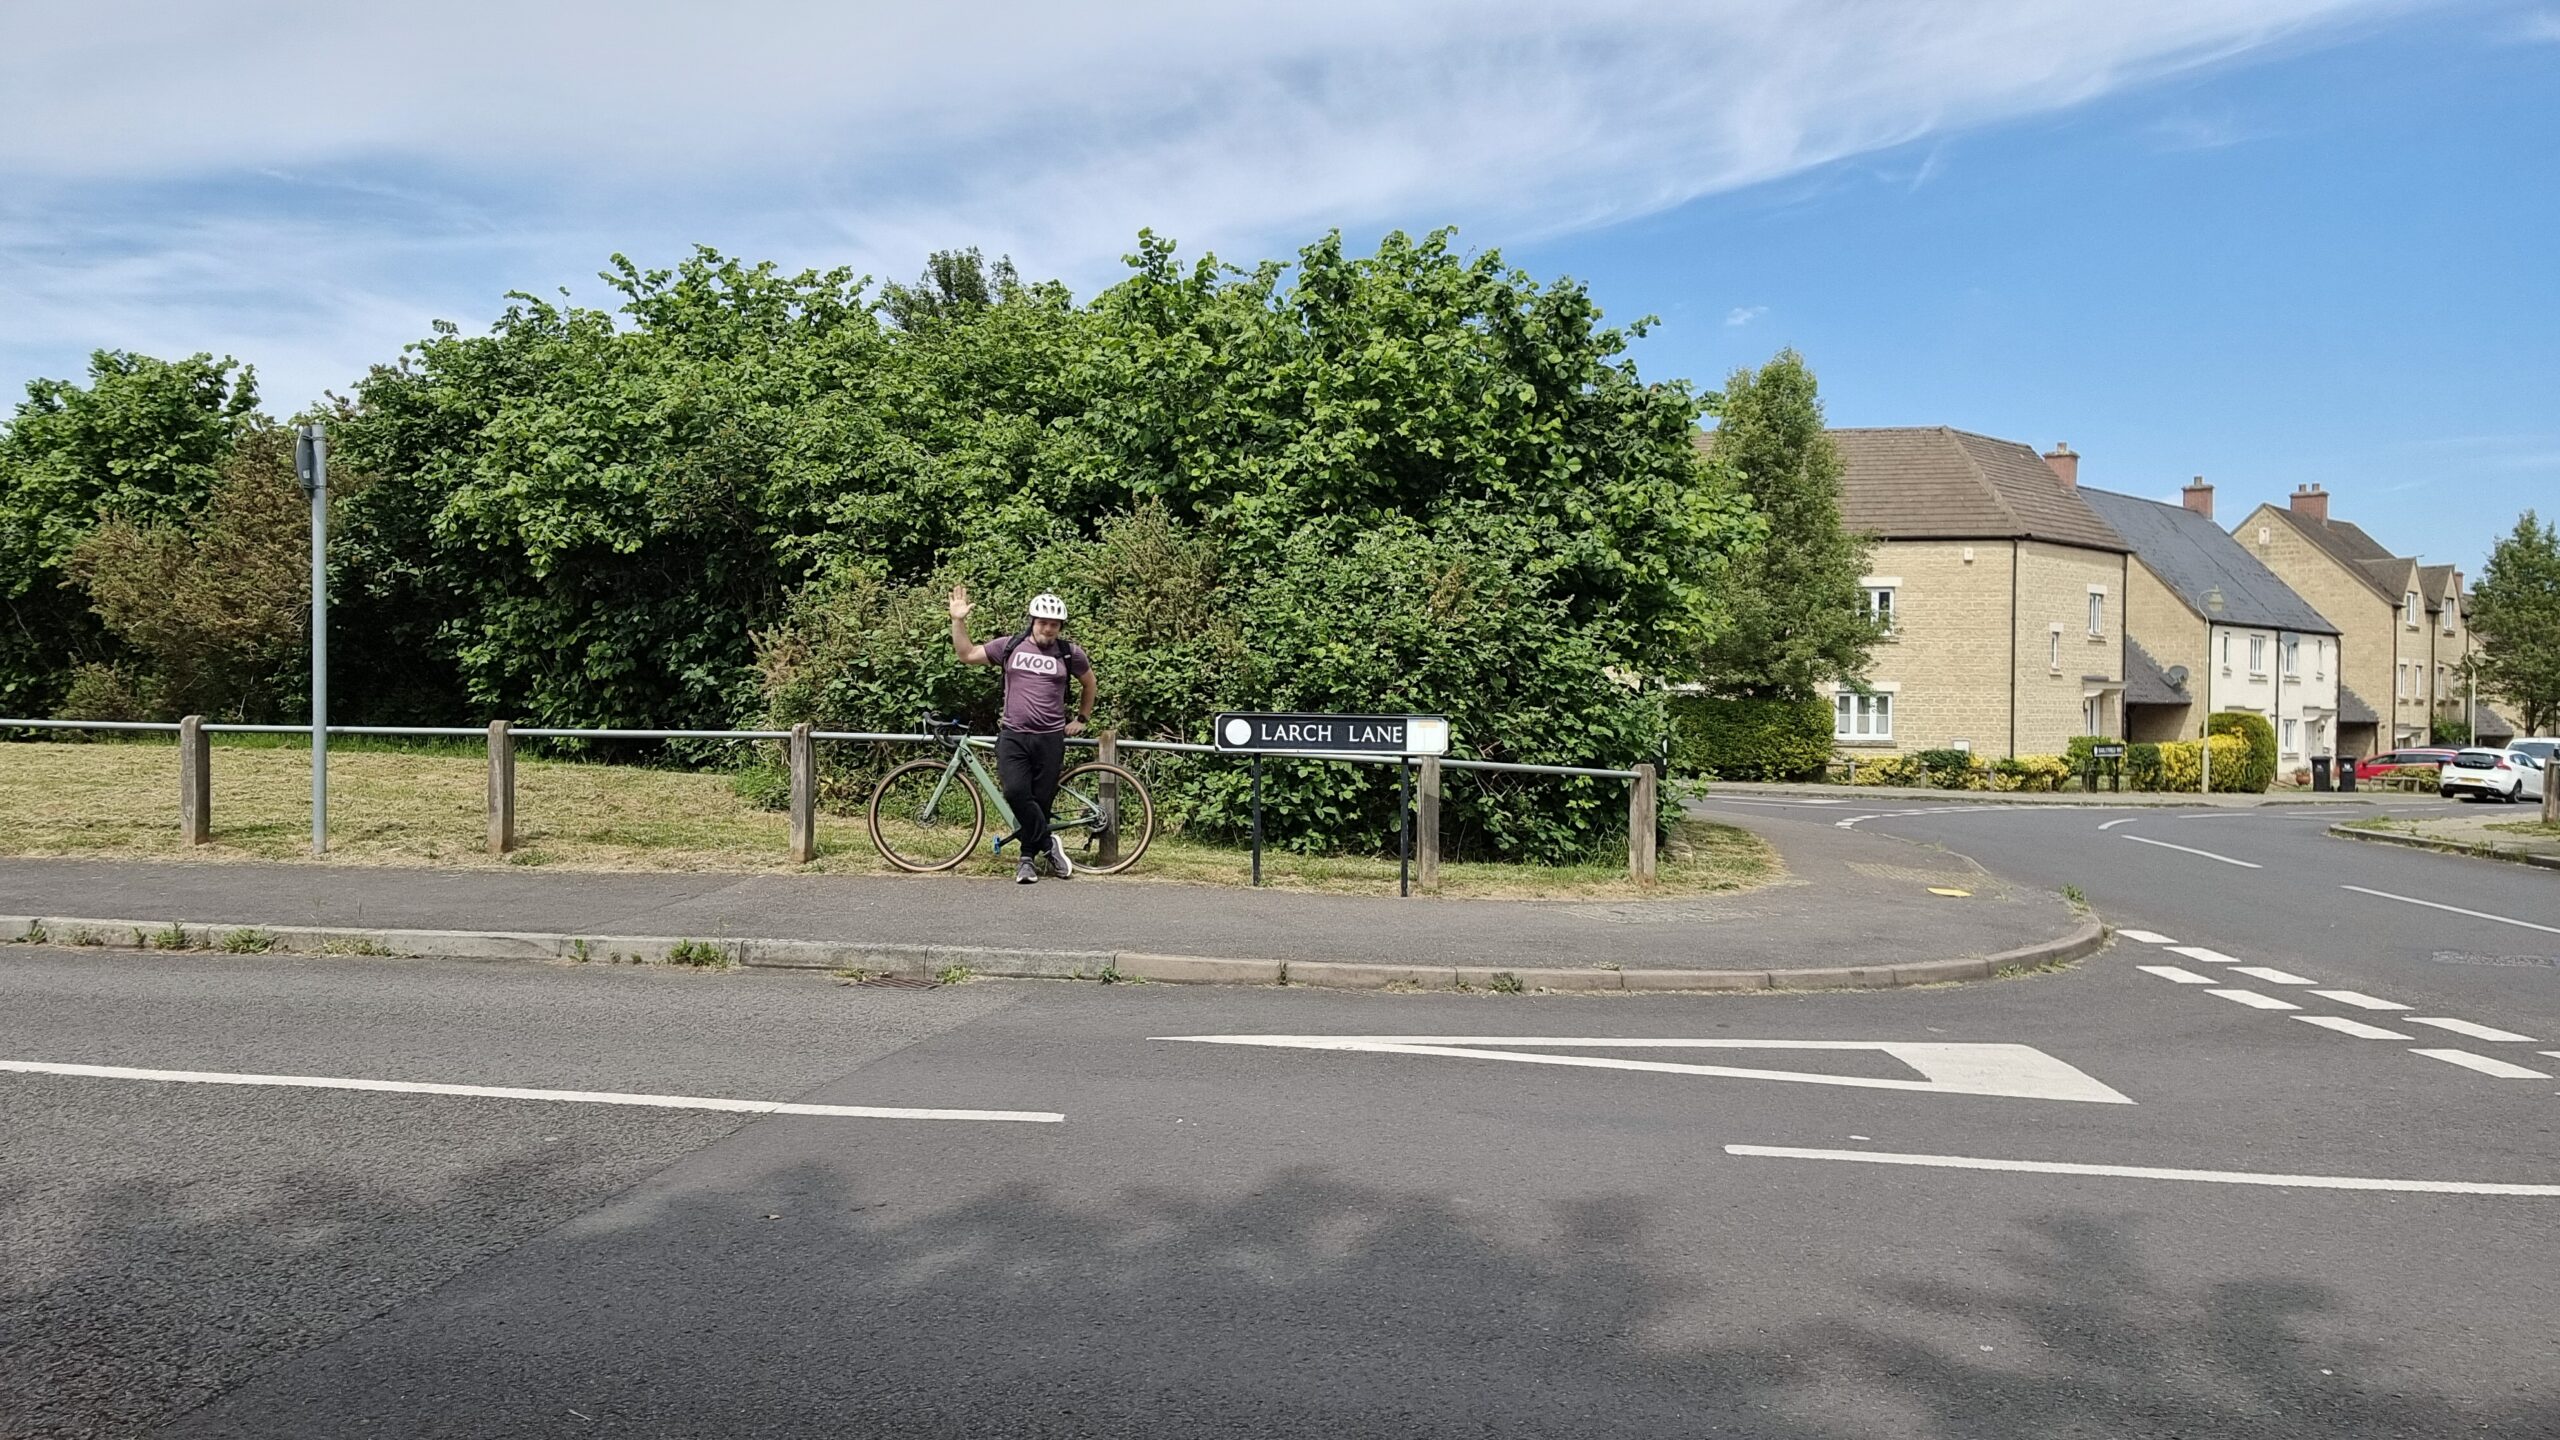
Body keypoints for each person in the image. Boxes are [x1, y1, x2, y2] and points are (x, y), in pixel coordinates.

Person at [949, 584, 1095, 884]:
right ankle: (1048, 844)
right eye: (1042, 622)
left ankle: (1027, 860)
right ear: (1032, 621)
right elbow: (966, 654)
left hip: (1050, 738)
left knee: (1040, 802)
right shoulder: (1010, 646)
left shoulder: (1070, 653)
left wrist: (1082, 718)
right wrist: (958, 621)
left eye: (1054, 624)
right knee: (1015, 792)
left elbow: (1090, 684)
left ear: (1060, 627)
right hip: (1014, 735)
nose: (1048, 628)